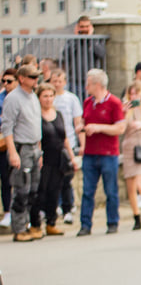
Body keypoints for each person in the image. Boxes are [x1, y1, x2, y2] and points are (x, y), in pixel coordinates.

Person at [78, 68, 126, 237]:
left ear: (97, 85)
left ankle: (112, 222)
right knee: (87, 191)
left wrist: (98, 127)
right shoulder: (87, 103)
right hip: (90, 152)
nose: (86, 87)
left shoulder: (114, 103)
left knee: (110, 190)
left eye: (88, 84)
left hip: (108, 153)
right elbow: (84, 120)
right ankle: (85, 224)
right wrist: (81, 127)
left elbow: (120, 128)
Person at [2, 65, 42, 242]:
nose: (36, 80)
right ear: (22, 79)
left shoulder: (33, 96)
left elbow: (36, 125)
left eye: (37, 76)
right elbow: (7, 127)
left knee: (33, 190)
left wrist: (39, 151)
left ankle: (26, 224)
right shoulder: (13, 99)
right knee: (21, 189)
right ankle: (18, 228)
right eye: (32, 77)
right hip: (21, 148)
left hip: (34, 147)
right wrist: (13, 152)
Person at [32, 83, 76, 237]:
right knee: (40, 191)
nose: (48, 99)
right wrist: (39, 154)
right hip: (44, 158)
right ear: (39, 98)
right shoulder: (36, 115)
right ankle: (36, 224)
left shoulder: (58, 114)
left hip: (58, 158)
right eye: (45, 96)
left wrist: (72, 157)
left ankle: (51, 223)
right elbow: (36, 137)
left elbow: (65, 138)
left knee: (54, 190)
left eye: (51, 96)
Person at [120, 80, 141, 231]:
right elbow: (121, 129)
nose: (133, 96)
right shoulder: (125, 110)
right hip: (128, 147)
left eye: (136, 93)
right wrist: (123, 113)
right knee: (130, 187)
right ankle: (136, 218)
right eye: (131, 93)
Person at [50, 69, 83, 225]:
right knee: (52, 179)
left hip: (69, 142)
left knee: (66, 178)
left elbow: (77, 122)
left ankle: (68, 208)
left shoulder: (71, 99)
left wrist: (82, 142)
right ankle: (54, 207)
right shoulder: (47, 98)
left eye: (60, 81)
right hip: (52, 144)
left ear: (65, 82)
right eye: (54, 81)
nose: (57, 84)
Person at [61, 15, 106, 99]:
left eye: (87, 26)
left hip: (92, 81)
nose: (84, 29)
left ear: (91, 27)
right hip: (75, 81)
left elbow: (101, 54)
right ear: (77, 27)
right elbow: (66, 54)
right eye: (82, 27)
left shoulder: (96, 39)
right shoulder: (72, 40)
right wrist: (77, 38)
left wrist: (90, 38)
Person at [0, 68, 17, 230]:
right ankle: (7, 212)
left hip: (18, 142)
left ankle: (20, 214)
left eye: (9, 81)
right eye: (3, 81)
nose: (6, 84)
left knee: (20, 181)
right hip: (2, 144)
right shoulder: (0, 98)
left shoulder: (21, 98)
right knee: (5, 179)